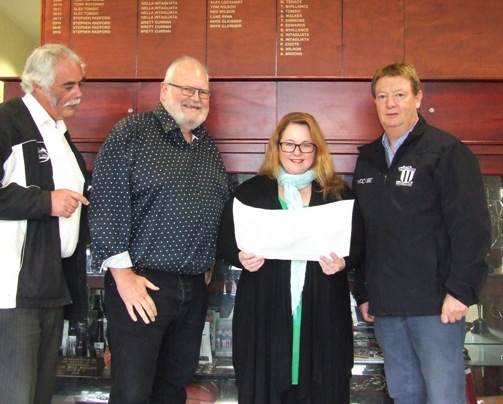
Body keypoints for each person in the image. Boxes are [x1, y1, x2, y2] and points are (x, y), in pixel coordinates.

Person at [89, 56, 230, 404]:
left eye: (203, 92)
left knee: (172, 389)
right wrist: (124, 278)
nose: (196, 98)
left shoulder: (206, 145)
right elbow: (106, 206)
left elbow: (217, 207)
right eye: (187, 89)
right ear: (164, 90)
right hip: (142, 285)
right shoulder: (131, 134)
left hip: (194, 289)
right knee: (133, 392)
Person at [352, 62, 491, 404]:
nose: (390, 104)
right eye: (382, 96)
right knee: (405, 395)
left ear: (418, 98)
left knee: (444, 397)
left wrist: (461, 291)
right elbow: (364, 233)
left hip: (436, 306)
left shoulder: (447, 152)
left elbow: (471, 227)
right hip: (386, 307)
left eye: (400, 94)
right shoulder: (368, 160)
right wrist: (365, 292)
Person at [217, 112, 364, 404]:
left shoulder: (337, 194)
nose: (297, 153)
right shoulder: (250, 192)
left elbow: (359, 247)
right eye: (289, 144)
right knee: (265, 384)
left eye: (306, 145)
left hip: (322, 308)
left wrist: (343, 262)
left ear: (317, 149)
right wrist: (240, 257)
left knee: (322, 385)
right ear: (277, 147)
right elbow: (223, 243)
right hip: (264, 308)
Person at [0, 44, 90, 404]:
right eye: (68, 86)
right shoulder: (7, 122)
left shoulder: (59, 131)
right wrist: (45, 201)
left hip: (53, 287)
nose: (78, 94)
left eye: (80, 84)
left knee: (41, 395)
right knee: (16, 394)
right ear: (38, 85)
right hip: (16, 292)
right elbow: (48, 200)